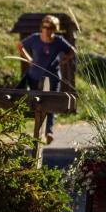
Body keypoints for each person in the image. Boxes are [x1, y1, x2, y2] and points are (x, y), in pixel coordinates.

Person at [16, 14, 76, 143]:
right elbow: (20, 46)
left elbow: (72, 51)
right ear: (42, 27)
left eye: (50, 28)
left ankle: (49, 131)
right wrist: (28, 59)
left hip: (53, 77)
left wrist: (65, 60)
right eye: (45, 27)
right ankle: (38, 131)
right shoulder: (35, 38)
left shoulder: (59, 41)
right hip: (34, 76)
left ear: (55, 29)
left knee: (50, 104)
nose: (47, 30)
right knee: (38, 104)